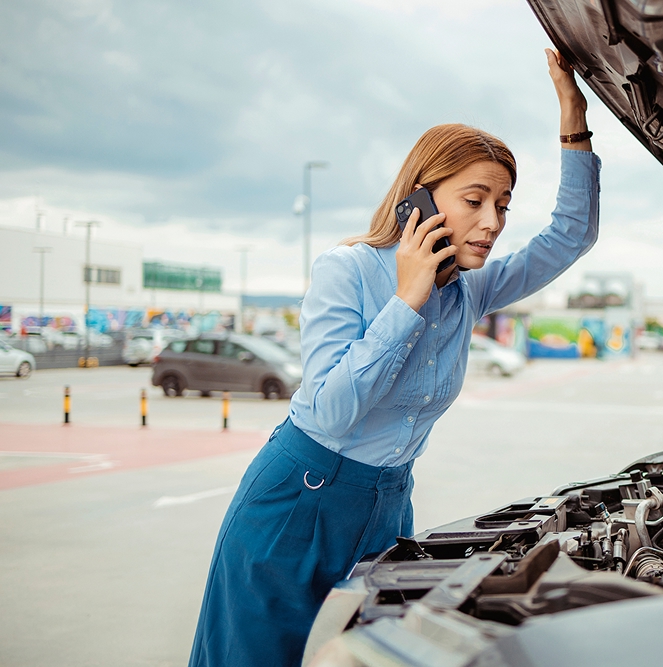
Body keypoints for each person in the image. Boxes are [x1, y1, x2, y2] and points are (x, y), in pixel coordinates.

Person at [188, 48, 600, 667]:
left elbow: (571, 234)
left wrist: (574, 114)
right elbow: (328, 414)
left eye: (504, 205)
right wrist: (406, 301)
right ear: (422, 202)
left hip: (386, 507)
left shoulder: (471, 287)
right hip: (295, 504)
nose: (493, 222)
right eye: (475, 200)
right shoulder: (345, 270)